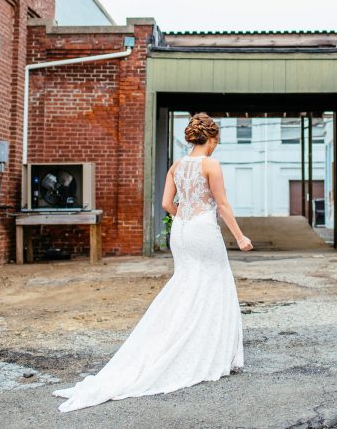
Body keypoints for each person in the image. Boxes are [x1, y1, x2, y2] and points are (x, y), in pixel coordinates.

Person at [53, 112, 254, 412]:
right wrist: (240, 237)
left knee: (185, 284)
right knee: (213, 284)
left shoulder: (176, 165)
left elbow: (165, 204)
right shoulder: (211, 164)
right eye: (216, 142)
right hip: (202, 230)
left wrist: (184, 216)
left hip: (182, 231)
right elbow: (222, 205)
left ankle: (174, 339)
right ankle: (208, 352)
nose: (215, 147)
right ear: (210, 139)